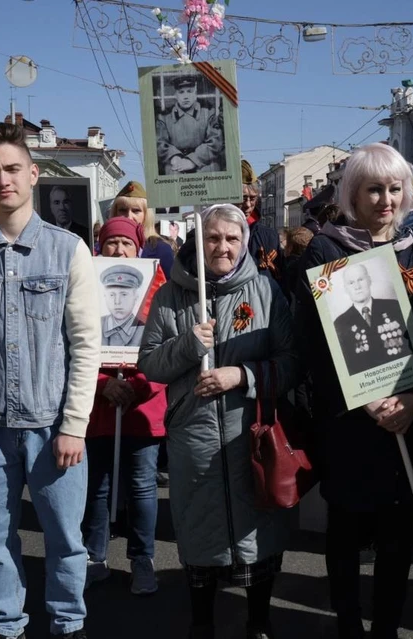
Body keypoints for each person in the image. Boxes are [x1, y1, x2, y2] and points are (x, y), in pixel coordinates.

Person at [0, 122, 100, 639]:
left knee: (65, 539)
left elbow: (85, 345)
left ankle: (68, 623)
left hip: (53, 426)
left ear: (32, 174)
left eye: (11, 169)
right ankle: (6, 626)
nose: (1, 180)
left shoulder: (69, 250)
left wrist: (74, 424)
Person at [294, 142, 413, 639]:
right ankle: (350, 626)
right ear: (352, 194)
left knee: (400, 534)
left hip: (407, 412)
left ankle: (387, 629)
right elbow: (315, 341)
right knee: (347, 532)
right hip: (353, 421)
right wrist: (364, 398)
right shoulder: (326, 248)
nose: (385, 199)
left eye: (395, 189)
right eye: (374, 189)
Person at [139, 204, 300, 639]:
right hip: (194, 437)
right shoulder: (172, 296)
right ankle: (202, 622)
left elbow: (290, 363)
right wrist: (188, 346)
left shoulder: (265, 291)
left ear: (244, 243)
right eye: (213, 238)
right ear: (199, 240)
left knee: (257, 531)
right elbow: (150, 364)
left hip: (250, 435)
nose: (222, 247)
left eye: (231, 239)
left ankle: (258, 621)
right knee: (199, 531)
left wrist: (241, 375)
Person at [82, 216, 166, 596]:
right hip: (97, 405)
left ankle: (142, 560)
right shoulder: (85, 288)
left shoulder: (159, 287)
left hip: (143, 404)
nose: (118, 250)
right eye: (111, 243)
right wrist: (102, 385)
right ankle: (93, 556)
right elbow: (72, 346)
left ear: (139, 248)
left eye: (126, 244)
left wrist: (137, 386)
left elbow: (169, 348)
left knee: (142, 485)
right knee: (96, 485)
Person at [333, 262, 412, 376]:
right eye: (351, 283)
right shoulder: (340, 323)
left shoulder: (394, 307)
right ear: (346, 289)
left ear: (369, 280)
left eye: (360, 279)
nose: (357, 286)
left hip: (403, 376)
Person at [156, 74, 224, 175]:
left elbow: (215, 142)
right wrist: (173, 157)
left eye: (189, 91)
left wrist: (193, 160)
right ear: (176, 94)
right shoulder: (164, 117)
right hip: (176, 162)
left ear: (195, 93)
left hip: (204, 162)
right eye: (181, 92)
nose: (186, 96)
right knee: (171, 176)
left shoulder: (209, 113)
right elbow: (160, 143)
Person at [111, 181, 174, 280]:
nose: (129, 217)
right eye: (123, 210)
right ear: (115, 213)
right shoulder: (101, 247)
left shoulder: (162, 249)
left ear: (146, 215)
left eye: (136, 211)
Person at [241, 159, 286, 288]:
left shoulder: (270, 235)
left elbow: (281, 278)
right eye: (243, 198)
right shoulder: (220, 233)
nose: (248, 205)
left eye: (253, 198)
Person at [100, 264, 145, 348]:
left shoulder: (144, 329)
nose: (117, 302)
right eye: (112, 295)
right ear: (105, 296)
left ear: (135, 297)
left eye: (124, 294)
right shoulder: (95, 325)